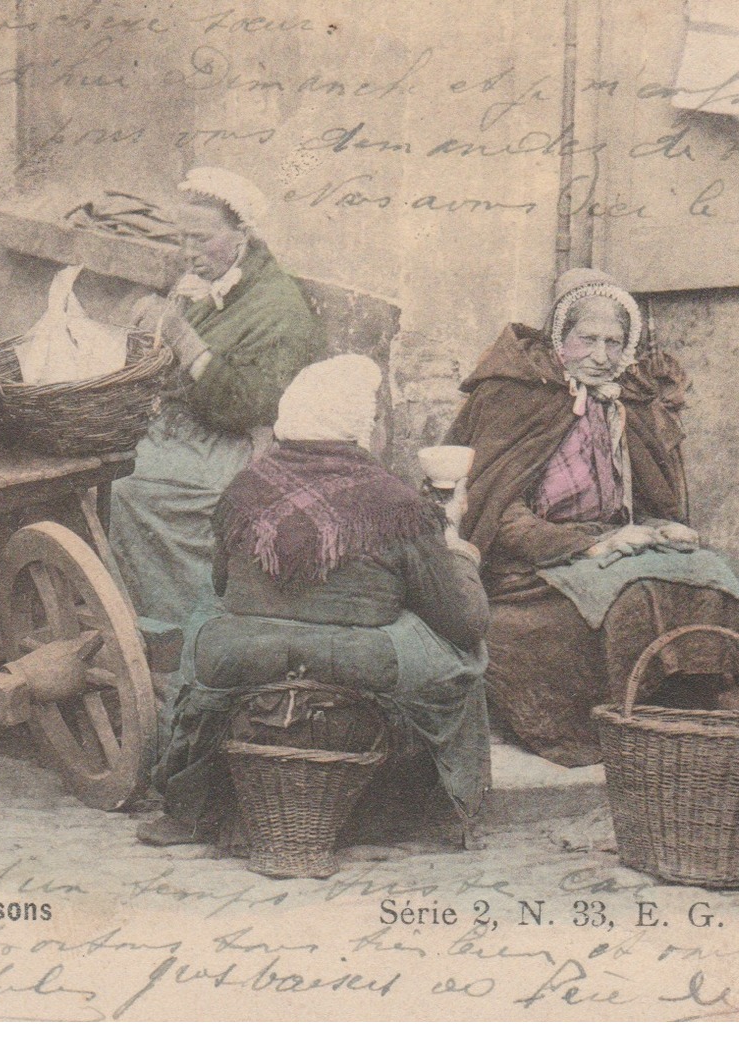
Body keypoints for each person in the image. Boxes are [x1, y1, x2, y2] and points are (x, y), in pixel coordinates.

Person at [444, 268, 739, 768]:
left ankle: (710, 705)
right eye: (587, 340)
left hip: (617, 540)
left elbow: (645, 497)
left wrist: (660, 526)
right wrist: (586, 546)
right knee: (634, 595)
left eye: (614, 342)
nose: (601, 356)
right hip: (532, 563)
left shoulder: (621, 402)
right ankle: (624, 720)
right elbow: (498, 515)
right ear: (560, 336)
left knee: (711, 576)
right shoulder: (514, 397)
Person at [137, 355, 492, 848]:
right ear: (359, 426)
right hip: (364, 664)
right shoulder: (398, 505)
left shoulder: (241, 491)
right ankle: (443, 811)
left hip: (242, 658)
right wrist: (456, 547)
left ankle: (190, 806)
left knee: (205, 615)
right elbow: (461, 621)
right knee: (467, 656)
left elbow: (220, 585)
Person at [109, 167, 331, 627]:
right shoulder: (209, 283)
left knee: (125, 486)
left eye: (201, 239)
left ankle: (185, 625)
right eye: (181, 239)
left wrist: (183, 338)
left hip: (239, 444)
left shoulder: (278, 306)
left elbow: (253, 405)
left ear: (241, 235)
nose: (188, 254)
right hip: (188, 429)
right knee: (99, 462)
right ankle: (133, 607)